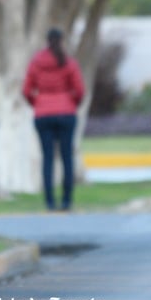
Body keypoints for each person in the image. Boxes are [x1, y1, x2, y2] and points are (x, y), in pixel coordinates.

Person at [22, 28, 86, 211]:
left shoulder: (36, 62)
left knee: (48, 158)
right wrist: (71, 103)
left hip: (43, 114)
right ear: (62, 40)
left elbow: (27, 90)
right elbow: (79, 90)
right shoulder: (68, 62)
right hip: (66, 113)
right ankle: (66, 201)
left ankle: (50, 202)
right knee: (67, 157)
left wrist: (38, 103)